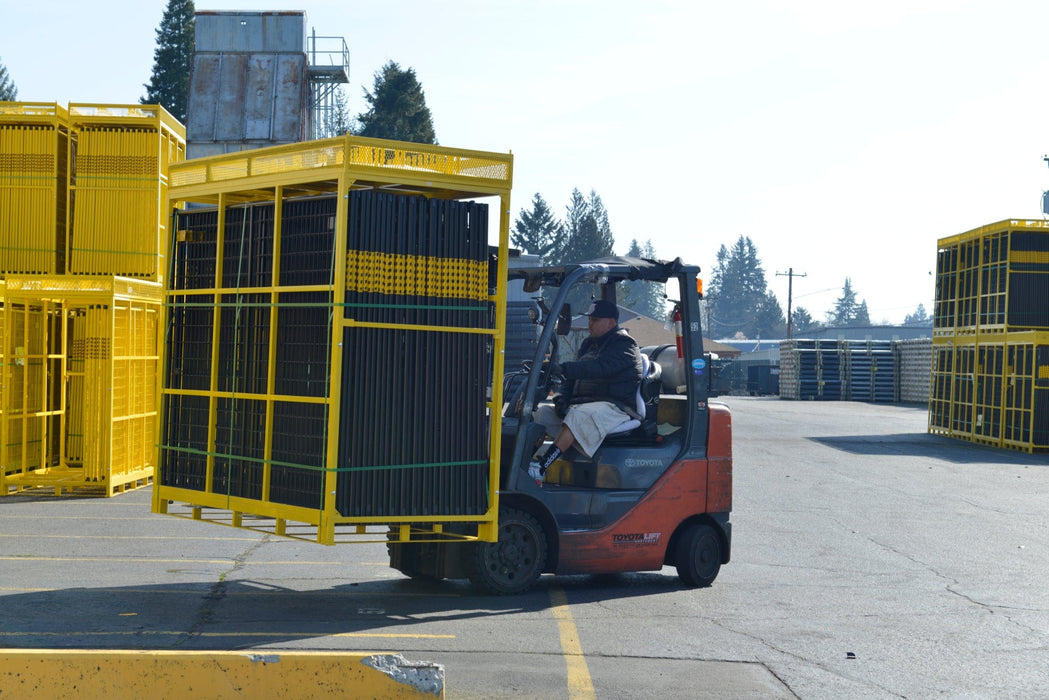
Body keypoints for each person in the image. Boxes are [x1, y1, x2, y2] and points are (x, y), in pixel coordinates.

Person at [529, 299, 643, 482]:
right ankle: (525, 461)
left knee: (578, 416)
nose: (590, 324)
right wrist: (561, 399)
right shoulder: (589, 344)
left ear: (611, 322)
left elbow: (598, 367)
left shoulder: (625, 345)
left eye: (595, 320)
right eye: (590, 319)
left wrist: (565, 368)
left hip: (615, 407)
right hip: (587, 406)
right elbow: (572, 378)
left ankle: (541, 467)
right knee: (542, 414)